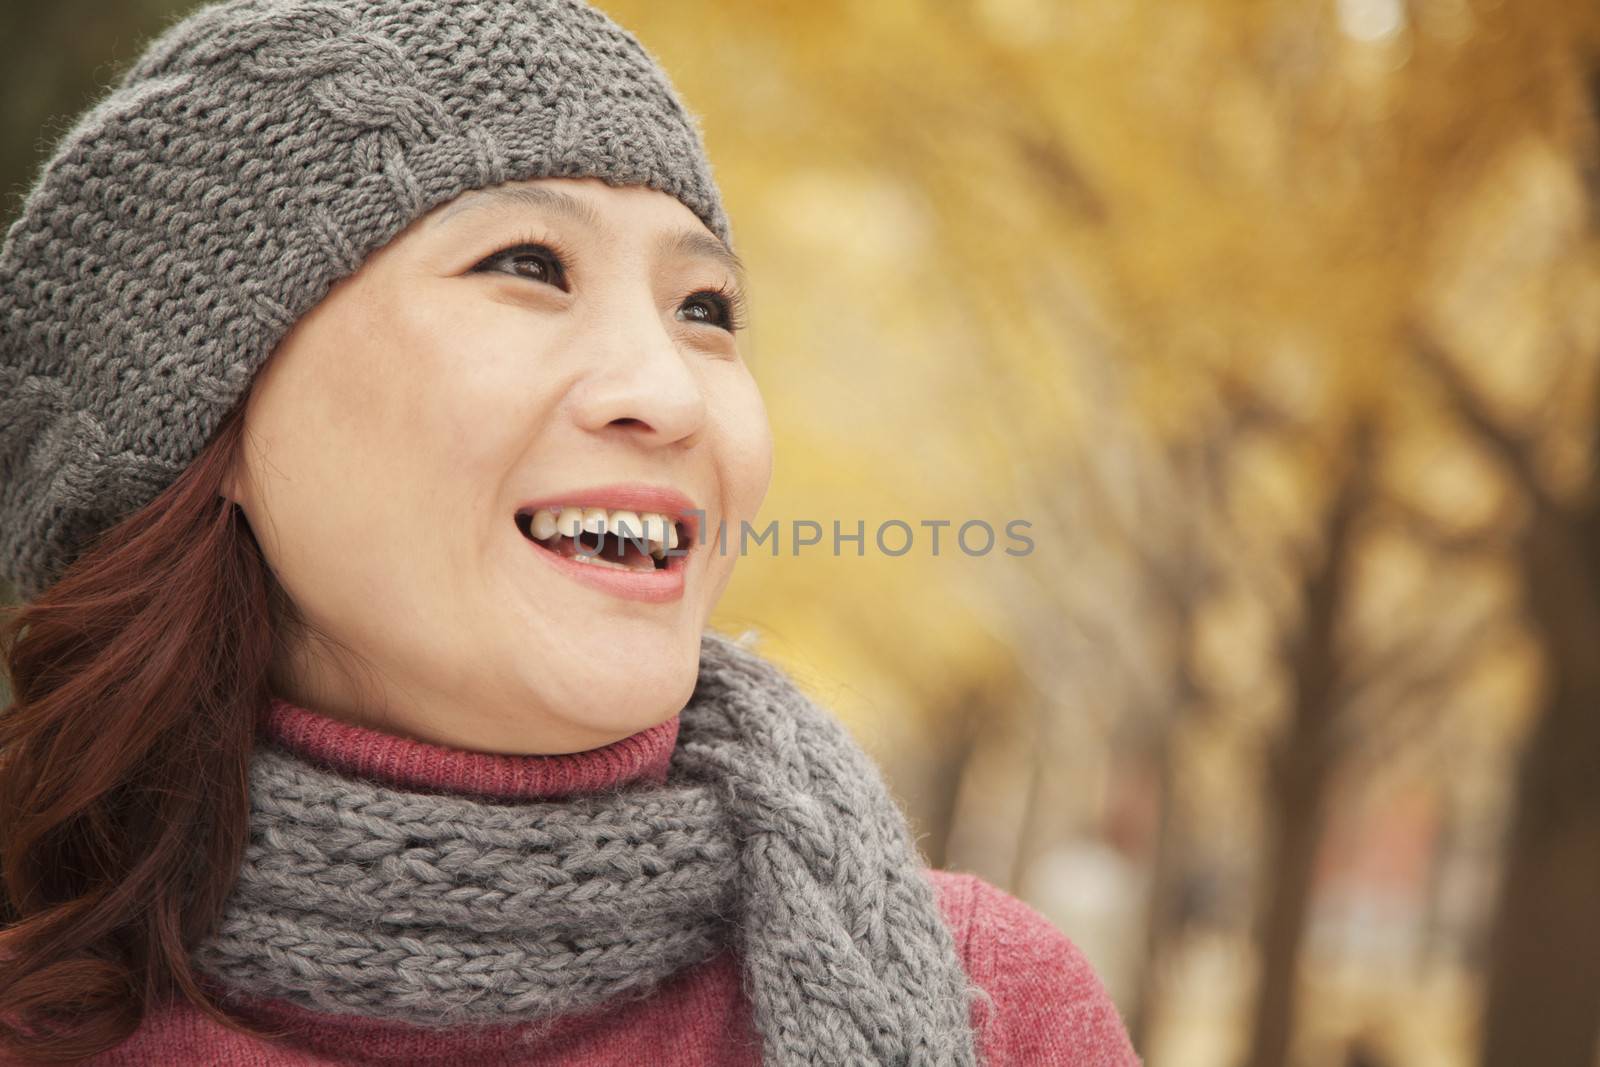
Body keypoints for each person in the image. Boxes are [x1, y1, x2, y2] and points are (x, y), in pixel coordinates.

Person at [0, 1, 1141, 1064]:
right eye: (528, 265)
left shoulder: (995, 1005)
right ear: (214, 414)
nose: (672, 394)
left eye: (705, 309)